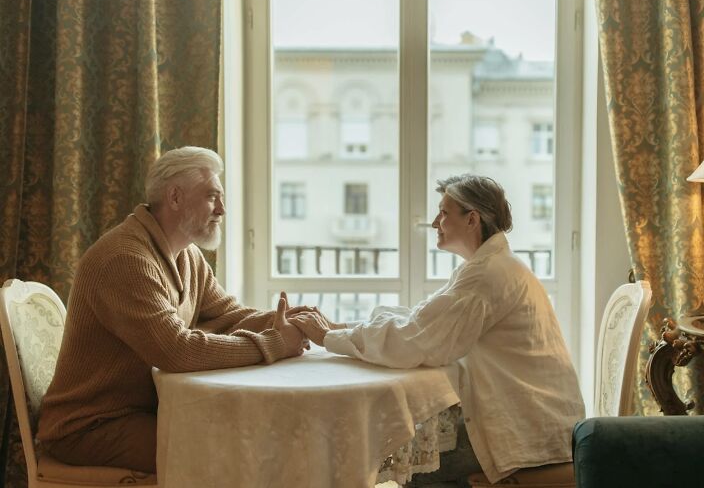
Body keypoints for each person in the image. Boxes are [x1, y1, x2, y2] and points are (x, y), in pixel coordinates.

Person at [292, 174, 585, 486]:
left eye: (444, 213)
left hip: (522, 428)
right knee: (405, 443)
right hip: (529, 416)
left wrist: (328, 337)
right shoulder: (490, 265)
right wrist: (342, 329)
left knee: (409, 463)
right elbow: (422, 321)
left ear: (472, 219)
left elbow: (419, 341)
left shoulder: (486, 275)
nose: (434, 222)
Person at [37, 147, 310, 473]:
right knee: (234, 451)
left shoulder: (187, 256)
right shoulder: (125, 260)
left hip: (143, 410)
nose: (222, 209)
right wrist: (276, 344)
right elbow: (177, 351)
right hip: (91, 426)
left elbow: (226, 315)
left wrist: (296, 321)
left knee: (250, 435)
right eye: (212, 196)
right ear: (175, 197)